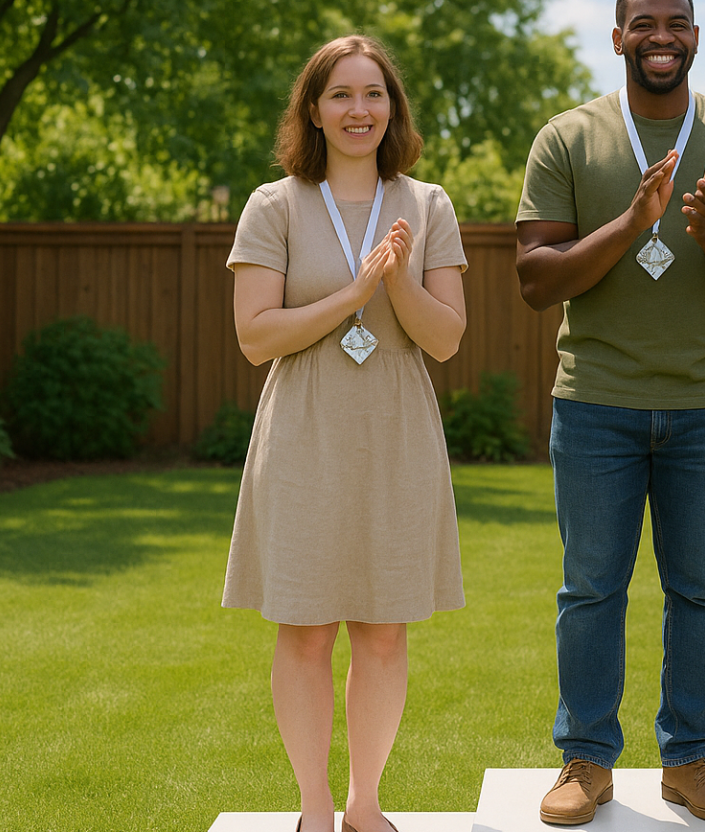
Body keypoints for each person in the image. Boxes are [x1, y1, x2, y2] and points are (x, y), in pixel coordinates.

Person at [514, 0, 705, 824]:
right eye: (644, 22)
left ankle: (691, 759)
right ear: (618, 38)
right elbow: (536, 280)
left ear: (696, 37)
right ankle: (587, 759)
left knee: (700, 590)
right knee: (591, 589)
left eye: (677, 20)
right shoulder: (567, 137)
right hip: (596, 402)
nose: (660, 35)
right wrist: (632, 222)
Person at [223, 34, 467, 832]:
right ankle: (315, 806)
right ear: (315, 111)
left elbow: (445, 339)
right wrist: (353, 293)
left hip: (396, 432)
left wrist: (395, 279)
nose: (359, 110)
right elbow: (256, 336)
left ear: (391, 108)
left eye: (373, 94)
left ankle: (365, 805)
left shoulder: (426, 204)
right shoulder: (274, 205)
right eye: (341, 95)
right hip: (305, 430)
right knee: (303, 631)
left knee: (384, 633)